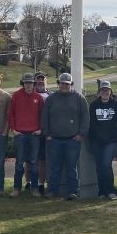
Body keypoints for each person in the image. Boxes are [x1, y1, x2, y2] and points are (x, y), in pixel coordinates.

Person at [41, 72, 89, 200]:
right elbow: (44, 117)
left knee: (72, 168)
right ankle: (52, 191)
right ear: (58, 83)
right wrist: (47, 134)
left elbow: (85, 117)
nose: (64, 86)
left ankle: (74, 192)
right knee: (54, 167)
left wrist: (81, 134)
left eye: (67, 84)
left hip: (73, 140)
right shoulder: (51, 99)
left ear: (71, 84)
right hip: (54, 139)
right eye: (62, 83)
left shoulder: (79, 98)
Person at [8, 73, 45, 196]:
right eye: (26, 83)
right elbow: (11, 114)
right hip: (20, 133)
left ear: (34, 84)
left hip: (34, 134)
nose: (28, 86)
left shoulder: (38, 98)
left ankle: (34, 189)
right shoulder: (16, 96)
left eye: (30, 83)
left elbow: (43, 116)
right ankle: (16, 189)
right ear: (23, 84)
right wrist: (13, 129)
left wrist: (40, 129)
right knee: (19, 162)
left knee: (34, 162)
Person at [88, 80, 117, 199]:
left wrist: (109, 137)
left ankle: (111, 190)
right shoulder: (93, 105)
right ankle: (101, 191)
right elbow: (92, 123)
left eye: (107, 90)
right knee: (99, 166)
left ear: (110, 91)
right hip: (96, 140)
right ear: (100, 91)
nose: (105, 92)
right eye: (103, 90)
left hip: (110, 141)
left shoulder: (116, 105)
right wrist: (99, 136)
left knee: (106, 164)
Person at [34, 71, 50, 195]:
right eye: (38, 80)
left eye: (42, 79)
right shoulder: (31, 95)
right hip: (33, 131)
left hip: (48, 132)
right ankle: (31, 183)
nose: (40, 82)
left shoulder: (51, 96)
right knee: (32, 160)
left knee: (44, 159)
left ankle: (42, 183)